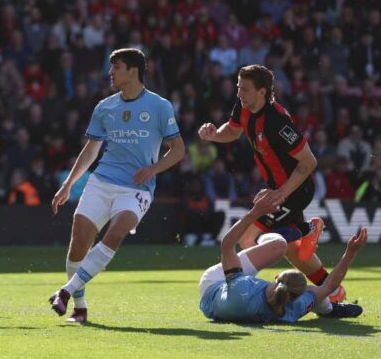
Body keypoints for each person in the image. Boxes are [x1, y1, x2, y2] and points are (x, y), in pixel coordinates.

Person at [49, 48, 185, 323]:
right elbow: (90, 151)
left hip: (136, 189)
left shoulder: (160, 106)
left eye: (116, 67)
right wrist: (67, 185)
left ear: (133, 71)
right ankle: (80, 306)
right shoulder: (105, 107)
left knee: (116, 233)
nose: (110, 73)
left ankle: (65, 290)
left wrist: (153, 169)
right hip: (101, 182)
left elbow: (178, 149)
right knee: (78, 243)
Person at [197, 64, 345, 303]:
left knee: (247, 237)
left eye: (245, 89)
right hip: (279, 189)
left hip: (296, 189)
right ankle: (333, 291)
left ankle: (305, 231)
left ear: (263, 92)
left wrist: (282, 193)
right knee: (296, 252)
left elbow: (309, 162)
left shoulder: (277, 121)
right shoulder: (244, 107)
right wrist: (214, 134)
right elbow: (232, 131)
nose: (239, 94)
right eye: (238, 88)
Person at [199, 195, 365, 323]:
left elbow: (227, 245)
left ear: (276, 277)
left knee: (279, 245)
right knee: (317, 295)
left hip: (213, 287)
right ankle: (329, 310)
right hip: (234, 305)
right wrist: (351, 252)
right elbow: (329, 286)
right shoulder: (294, 309)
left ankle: (271, 236)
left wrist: (255, 212)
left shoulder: (242, 287)